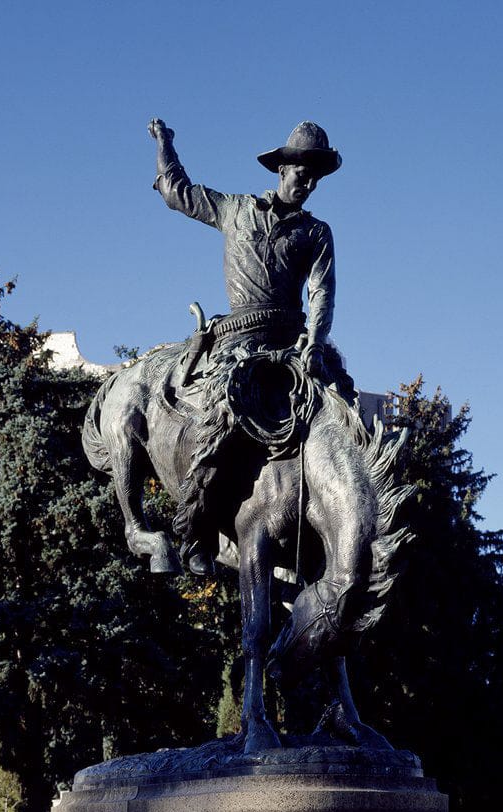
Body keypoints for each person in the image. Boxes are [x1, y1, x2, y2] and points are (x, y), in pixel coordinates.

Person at [148, 118, 352, 574]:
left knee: (344, 416)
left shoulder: (316, 233)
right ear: (283, 168)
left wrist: (316, 347)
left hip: (295, 346)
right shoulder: (235, 210)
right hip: (237, 344)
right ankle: (195, 531)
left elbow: (322, 293)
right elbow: (176, 192)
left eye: (317, 176)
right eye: (305, 173)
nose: (311, 183)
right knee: (220, 420)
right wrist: (165, 145)